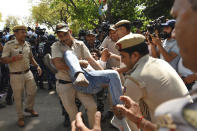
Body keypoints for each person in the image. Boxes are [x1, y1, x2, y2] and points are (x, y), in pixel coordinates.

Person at [1, 25, 42, 127]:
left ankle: (29, 108)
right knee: (18, 97)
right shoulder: (9, 44)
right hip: (16, 75)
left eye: (25, 32)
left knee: (33, 91)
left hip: (28, 73)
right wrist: (14, 58)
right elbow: (3, 59)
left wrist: (37, 66)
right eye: (22, 32)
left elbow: (31, 57)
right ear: (15, 33)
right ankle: (20, 117)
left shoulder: (27, 44)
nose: (25, 34)